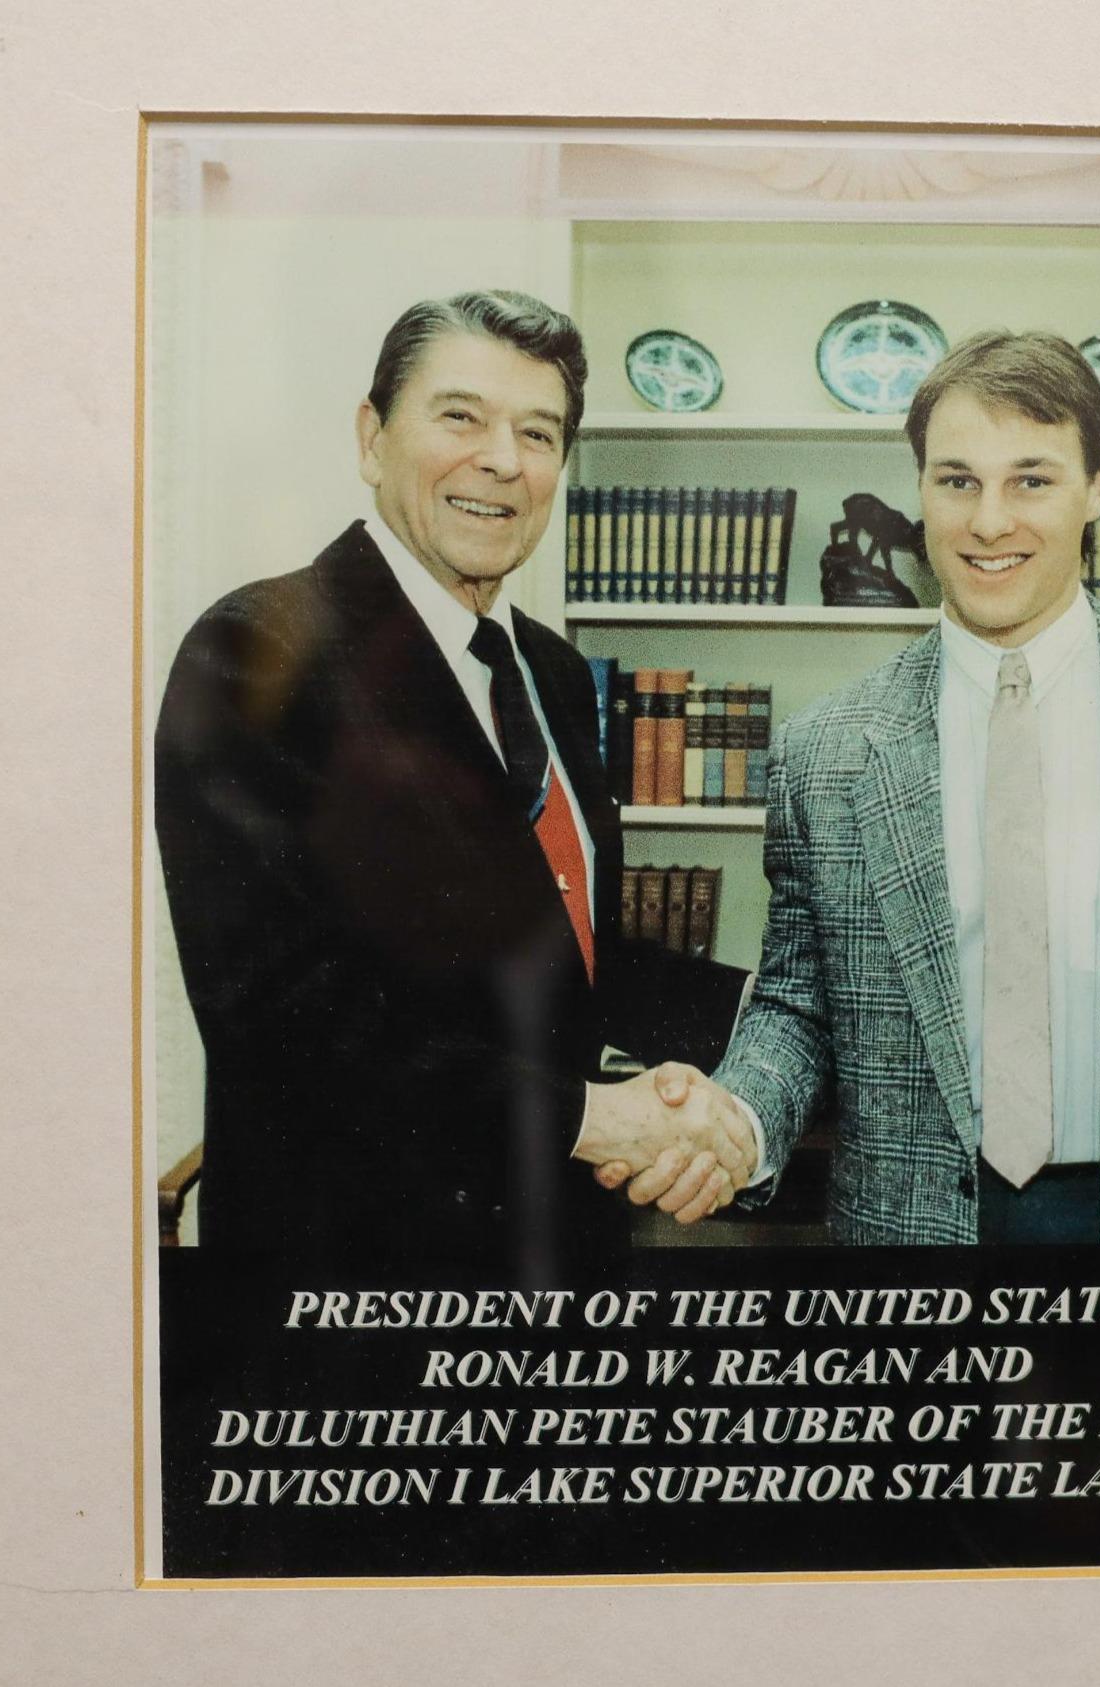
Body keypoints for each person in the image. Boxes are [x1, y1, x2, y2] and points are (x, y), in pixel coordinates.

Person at [614, 330, 1100, 1244]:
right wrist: (736, 1124)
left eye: (1031, 480)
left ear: (1096, 487)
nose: (988, 521)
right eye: (957, 480)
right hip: (911, 1245)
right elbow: (799, 1006)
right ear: (920, 488)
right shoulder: (826, 749)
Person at [155, 289, 754, 1261]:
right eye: (461, 417)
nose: (503, 460)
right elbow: (283, 1020)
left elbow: (562, 954)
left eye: (538, 432)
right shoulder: (256, 652)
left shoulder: (555, 673)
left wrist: (775, 1010)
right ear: (372, 438)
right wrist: (591, 1118)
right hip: (356, 1274)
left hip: (556, 1256)